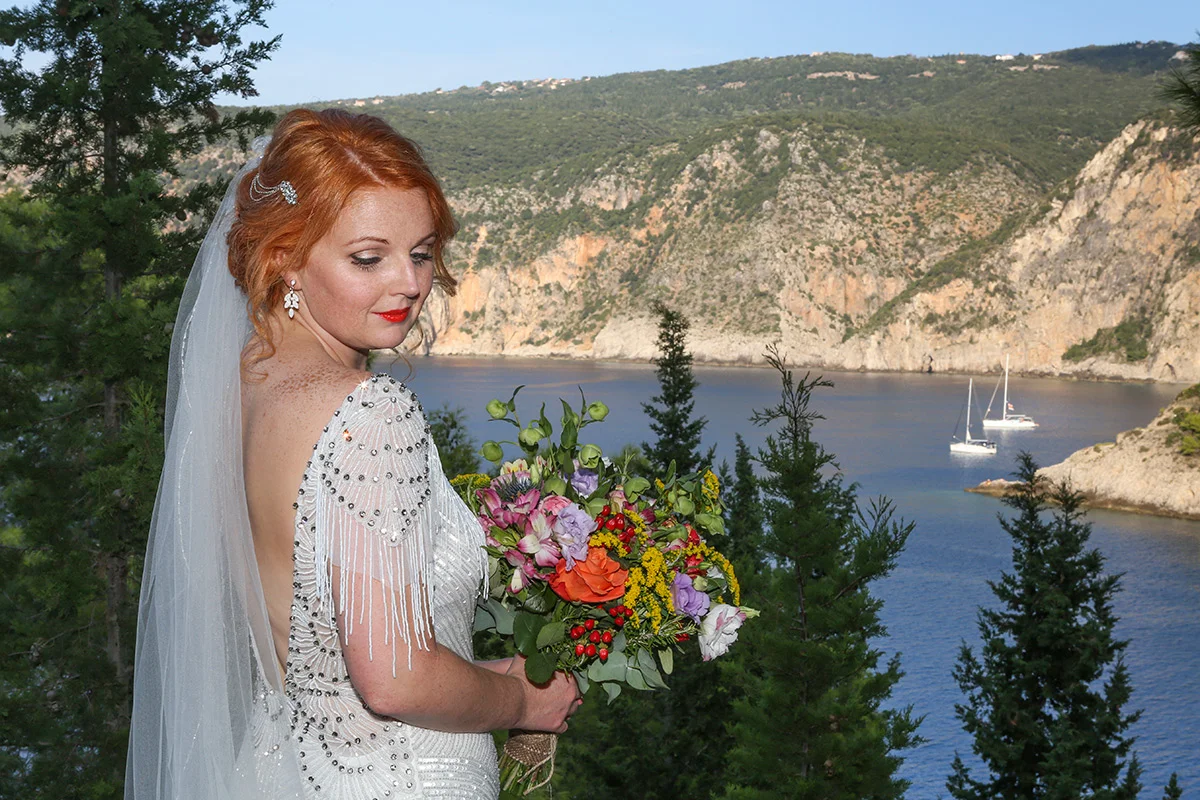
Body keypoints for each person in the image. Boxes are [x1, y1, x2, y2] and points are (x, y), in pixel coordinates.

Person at [125, 109, 579, 800]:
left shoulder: (237, 388)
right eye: (368, 258)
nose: (410, 283)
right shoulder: (368, 412)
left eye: (421, 253)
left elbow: (324, 659)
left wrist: (485, 675)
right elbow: (394, 681)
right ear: (284, 258)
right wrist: (523, 702)